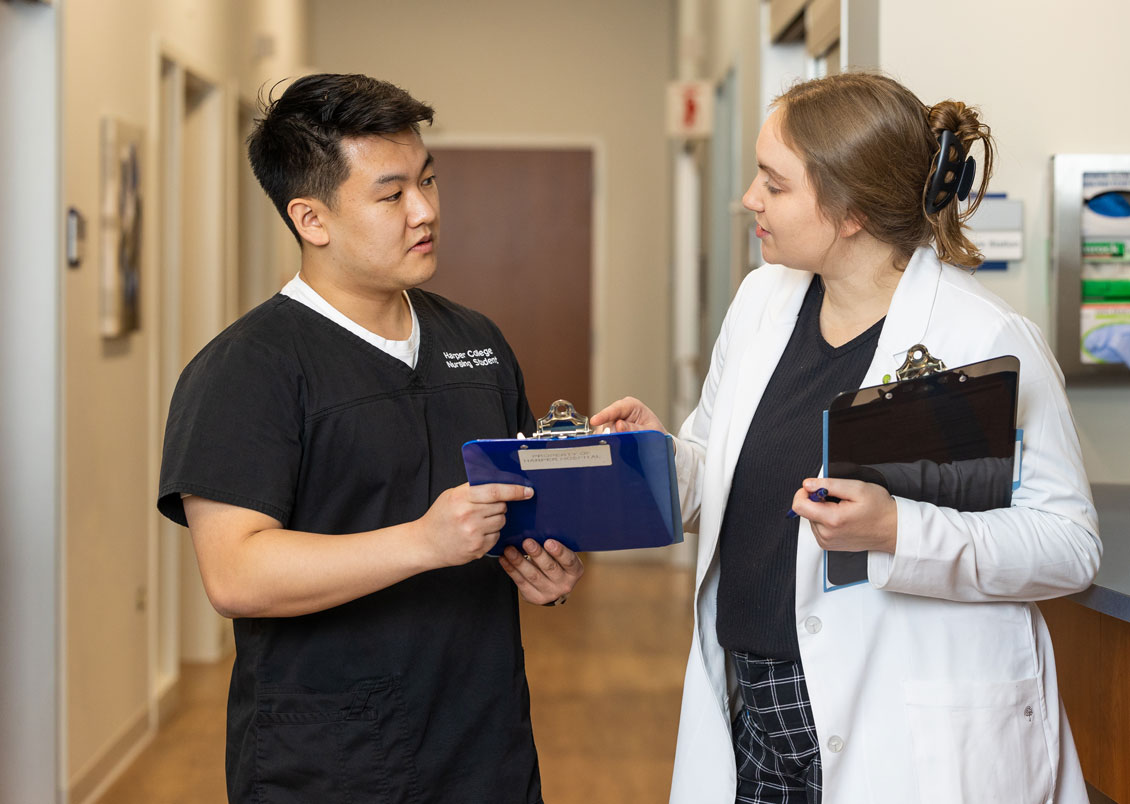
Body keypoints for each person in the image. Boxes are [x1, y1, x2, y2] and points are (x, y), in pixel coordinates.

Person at [592, 72, 1100, 804]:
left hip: (903, 712)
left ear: (851, 209)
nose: (749, 200)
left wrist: (901, 528)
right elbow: (719, 467)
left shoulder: (980, 338)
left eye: (774, 183)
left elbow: (1068, 547)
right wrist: (660, 458)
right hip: (756, 697)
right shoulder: (763, 300)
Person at [157, 73, 583, 804]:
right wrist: (424, 541)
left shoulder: (475, 342)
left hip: (485, 744)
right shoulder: (246, 369)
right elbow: (236, 575)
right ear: (311, 219)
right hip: (330, 759)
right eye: (391, 196)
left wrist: (547, 566)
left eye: (429, 181)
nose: (424, 211)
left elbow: (517, 511)